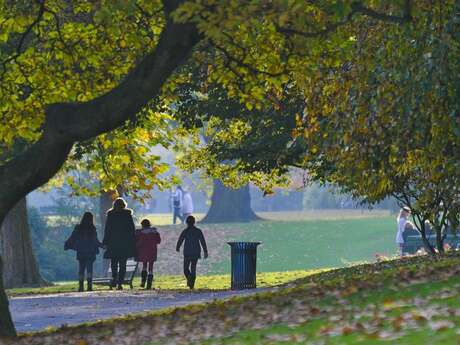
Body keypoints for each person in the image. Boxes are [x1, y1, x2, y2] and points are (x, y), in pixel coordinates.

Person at [102, 197, 136, 290]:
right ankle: (120, 282)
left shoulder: (111, 215)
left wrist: (105, 242)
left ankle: (114, 278)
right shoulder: (127, 215)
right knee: (122, 264)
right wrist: (133, 242)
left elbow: (107, 230)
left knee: (114, 263)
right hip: (124, 243)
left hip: (113, 243)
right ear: (123, 205)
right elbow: (131, 230)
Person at [64, 212, 103, 292]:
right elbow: (95, 241)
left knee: (81, 269)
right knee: (89, 269)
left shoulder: (78, 227)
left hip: (81, 251)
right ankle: (89, 286)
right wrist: (102, 245)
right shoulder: (92, 228)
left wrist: (67, 244)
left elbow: (73, 237)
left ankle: (81, 286)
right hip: (90, 252)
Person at [176, 215, 208, 289]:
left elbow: (180, 239)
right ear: (194, 222)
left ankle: (190, 279)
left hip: (187, 252)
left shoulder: (185, 231)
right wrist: (205, 251)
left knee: (185, 269)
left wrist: (178, 247)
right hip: (196, 252)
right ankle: (191, 283)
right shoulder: (198, 231)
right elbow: (203, 241)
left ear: (187, 222)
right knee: (193, 268)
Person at [135, 219, 161, 289]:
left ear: (142, 225)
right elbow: (158, 241)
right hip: (152, 251)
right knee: (151, 267)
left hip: (143, 251)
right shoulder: (154, 232)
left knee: (144, 265)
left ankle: (143, 281)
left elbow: (136, 241)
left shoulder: (139, 233)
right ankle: (149, 283)